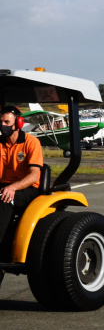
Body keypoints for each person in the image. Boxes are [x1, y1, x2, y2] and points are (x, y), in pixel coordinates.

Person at [0, 105, 44, 246]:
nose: (2, 125)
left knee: (5, 198)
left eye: (7, 122)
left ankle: (2, 248)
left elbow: (34, 176)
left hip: (27, 188)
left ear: (18, 123)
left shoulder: (31, 142)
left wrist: (13, 188)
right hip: (5, 185)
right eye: (1, 122)